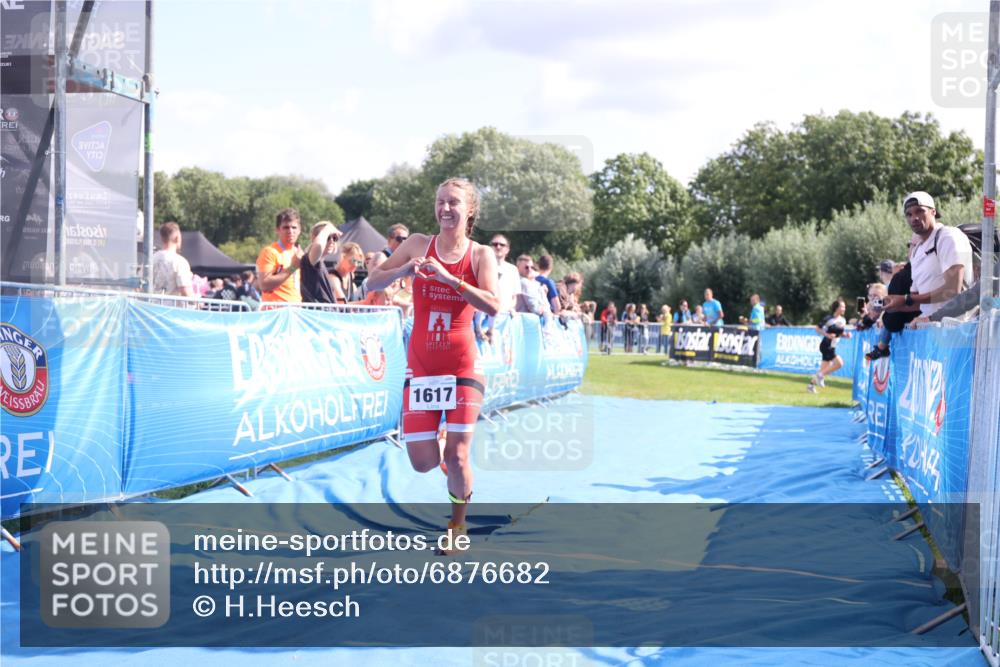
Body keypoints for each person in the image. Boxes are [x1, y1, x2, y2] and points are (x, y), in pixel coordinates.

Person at [365, 177, 499, 553]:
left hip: (461, 367)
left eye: (453, 202)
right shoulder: (417, 245)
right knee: (423, 462)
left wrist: (450, 279)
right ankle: (440, 439)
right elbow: (372, 281)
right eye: (440, 202)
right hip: (422, 367)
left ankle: (457, 526)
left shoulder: (480, 255)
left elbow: (493, 305)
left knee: (457, 456)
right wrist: (403, 272)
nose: (445, 209)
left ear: (469, 210)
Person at [881, 192, 973, 318]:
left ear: (933, 212)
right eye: (909, 214)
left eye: (919, 211)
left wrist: (906, 299)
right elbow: (919, 302)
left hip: (957, 327)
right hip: (931, 328)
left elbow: (952, 289)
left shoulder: (948, 236)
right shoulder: (917, 251)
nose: (914, 218)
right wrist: (894, 305)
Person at [475, 233, 520, 344]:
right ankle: (479, 329)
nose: (498, 247)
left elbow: (514, 297)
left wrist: (509, 308)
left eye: (502, 244)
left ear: (507, 249)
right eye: (495, 244)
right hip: (482, 316)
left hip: (503, 320)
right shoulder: (480, 266)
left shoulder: (513, 269)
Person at [256, 208, 305, 305]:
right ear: (277, 230)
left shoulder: (298, 252)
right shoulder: (269, 252)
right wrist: (293, 267)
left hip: (295, 310)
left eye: (294, 227)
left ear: (299, 230)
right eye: (286, 227)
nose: (290, 231)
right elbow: (264, 285)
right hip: (275, 312)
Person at [807, 299, 852, 393]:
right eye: (842, 306)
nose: (844, 308)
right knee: (839, 363)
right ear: (836, 308)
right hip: (826, 345)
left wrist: (846, 335)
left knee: (823, 369)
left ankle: (811, 386)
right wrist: (827, 335)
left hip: (833, 345)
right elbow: (817, 329)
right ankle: (820, 376)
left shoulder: (843, 320)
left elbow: (839, 333)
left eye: (844, 307)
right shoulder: (828, 318)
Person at [300, 221, 342, 303]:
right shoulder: (309, 260)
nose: (331, 241)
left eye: (334, 238)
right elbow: (319, 245)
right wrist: (327, 229)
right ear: (314, 237)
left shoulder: (321, 264)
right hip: (315, 314)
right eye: (327, 237)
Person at [152, 222, 194, 297]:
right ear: (177, 238)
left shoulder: (151, 259)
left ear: (162, 238)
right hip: (171, 307)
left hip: (150, 306)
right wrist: (198, 303)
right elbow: (185, 290)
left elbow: (140, 285)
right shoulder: (180, 262)